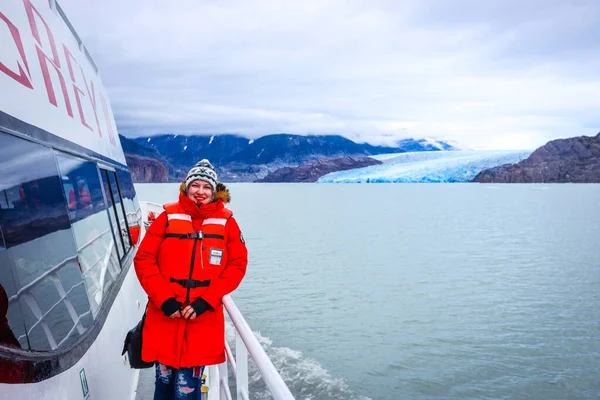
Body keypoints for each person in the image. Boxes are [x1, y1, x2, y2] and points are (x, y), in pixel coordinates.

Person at [134, 159, 248, 399]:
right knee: (163, 384)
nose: (200, 192)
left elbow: (237, 266)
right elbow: (144, 259)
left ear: (215, 191)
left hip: (202, 320)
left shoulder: (227, 223)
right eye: (195, 185)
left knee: (188, 388)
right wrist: (165, 300)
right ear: (186, 187)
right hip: (165, 315)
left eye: (206, 187)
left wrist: (205, 301)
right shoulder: (167, 217)